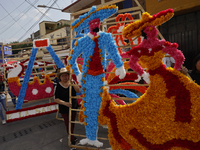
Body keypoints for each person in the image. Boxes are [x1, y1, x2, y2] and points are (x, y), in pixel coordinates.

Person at [54, 67, 80, 149]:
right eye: (63, 76)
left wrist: (73, 82)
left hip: (74, 107)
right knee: (68, 124)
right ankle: (72, 142)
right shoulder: (58, 86)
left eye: (66, 75)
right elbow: (56, 99)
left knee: (72, 123)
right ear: (60, 77)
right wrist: (65, 103)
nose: (65, 77)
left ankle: (71, 135)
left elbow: (78, 91)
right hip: (64, 109)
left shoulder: (72, 82)